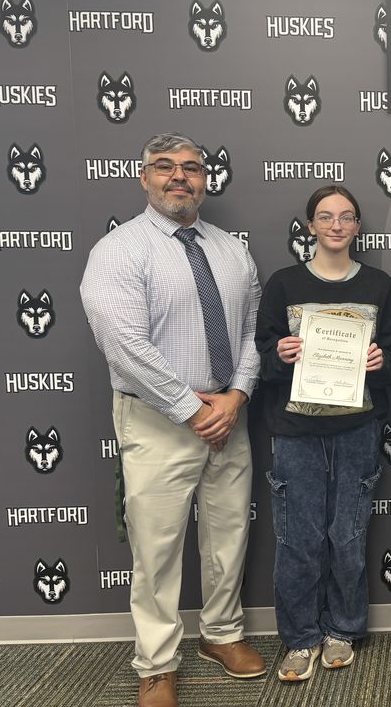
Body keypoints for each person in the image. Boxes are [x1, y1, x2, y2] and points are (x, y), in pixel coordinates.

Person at [80, 132, 264, 707]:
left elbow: (254, 329)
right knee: (156, 547)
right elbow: (123, 343)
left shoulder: (231, 249)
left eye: (191, 168)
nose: (179, 176)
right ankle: (156, 662)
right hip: (160, 419)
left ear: (206, 180)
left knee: (228, 533)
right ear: (145, 177)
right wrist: (189, 407)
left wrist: (235, 395)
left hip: (228, 415)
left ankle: (222, 633)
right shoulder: (120, 248)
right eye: (165, 167)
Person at [255, 184, 391, 680]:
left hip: (357, 428)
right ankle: (300, 638)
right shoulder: (283, 284)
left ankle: (343, 628)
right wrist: (280, 354)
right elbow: (263, 351)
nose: (336, 225)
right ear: (311, 226)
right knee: (298, 538)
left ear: (358, 226)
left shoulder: (380, 285)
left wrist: (382, 362)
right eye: (325, 216)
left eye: (346, 217)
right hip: (295, 429)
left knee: (348, 533)